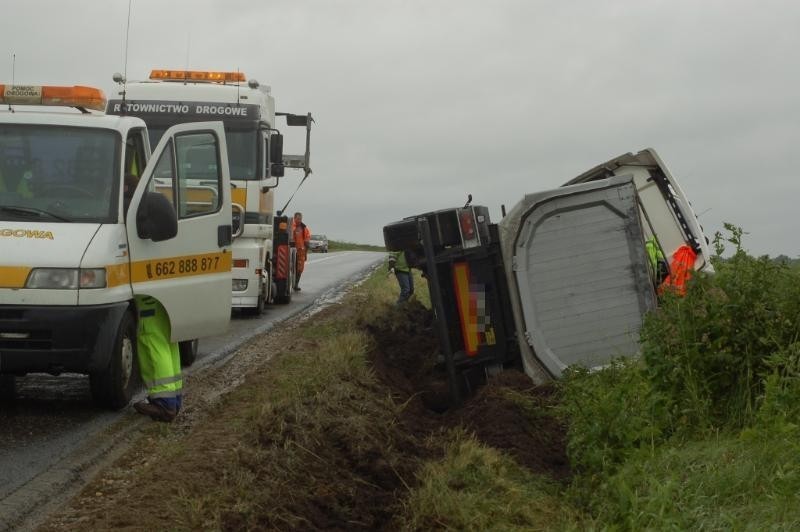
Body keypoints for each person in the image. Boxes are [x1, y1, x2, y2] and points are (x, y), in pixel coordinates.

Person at [132, 295, 182, 422]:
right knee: (168, 343)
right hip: (163, 299)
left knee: (153, 342)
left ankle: (165, 404)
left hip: (148, 296)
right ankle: (174, 400)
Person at [291, 211, 311, 291]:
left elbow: (307, 241)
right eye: (298, 219)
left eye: (300, 219)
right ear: (294, 218)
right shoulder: (290, 226)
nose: (299, 220)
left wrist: (306, 252)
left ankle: (296, 284)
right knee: (291, 268)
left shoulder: (304, 228)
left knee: (299, 269)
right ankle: (291, 283)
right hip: (291, 251)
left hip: (301, 251)